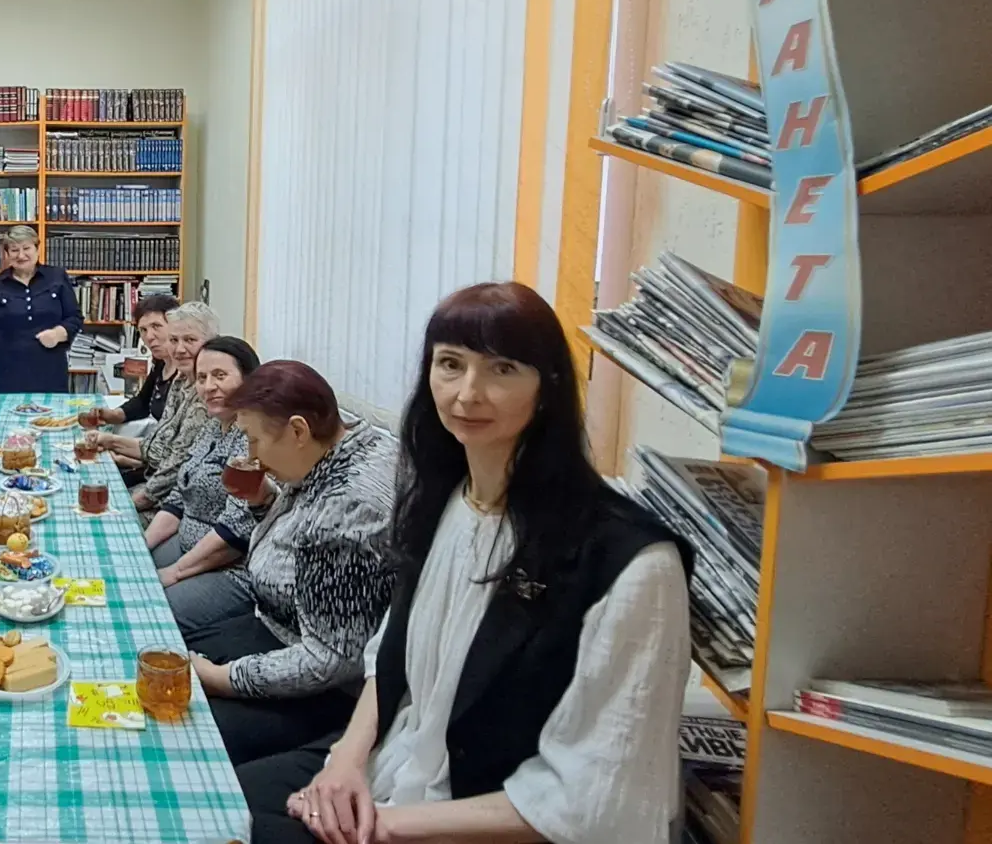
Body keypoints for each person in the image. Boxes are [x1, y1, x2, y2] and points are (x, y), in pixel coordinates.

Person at [236, 283, 692, 844]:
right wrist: (345, 762)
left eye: (502, 369)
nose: (468, 394)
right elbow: (391, 651)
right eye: (450, 364)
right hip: (390, 766)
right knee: (219, 806)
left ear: (548, 387)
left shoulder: (631, 564)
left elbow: (594, 799)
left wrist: (386, 825)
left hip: (481, 818)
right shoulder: (444, 495)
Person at [182, 360, 398, 767]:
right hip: (277, 625)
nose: (252, 457)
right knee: (167, 651)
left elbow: (330, 658)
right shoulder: (339, 446)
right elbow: (296, 541)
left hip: (328, 686)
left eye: (254, 441)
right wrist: (265, 501)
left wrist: (222, 679)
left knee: (182, 724)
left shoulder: (350, 507)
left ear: (298, 430)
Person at [144, 336, 262, 630]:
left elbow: (236, 532)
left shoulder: (255, 438)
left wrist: (174, 573)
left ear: (249, 380)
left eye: (220, 376)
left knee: (149, 610)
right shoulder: (212, 427)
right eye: (202, 378)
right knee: (125, 571)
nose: (208, 386)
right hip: (186, 545)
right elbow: (177, 498)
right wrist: (142, 545)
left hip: (230, 567)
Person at [85, 302, 219, 510]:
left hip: (175, 500)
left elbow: (176, 465)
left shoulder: (207, 396)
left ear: (211, 344)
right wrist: (110, 441)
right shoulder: (181, 380)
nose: (179, 349)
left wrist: (131, 504)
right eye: (174, 340)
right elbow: (159, 444)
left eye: (190, 340)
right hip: (153, 478)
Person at [0, 225, 81, 394]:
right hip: (8, 373)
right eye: (14, 250)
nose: (21, 255)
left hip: (51, 371)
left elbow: (74, 317)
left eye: (26, 248)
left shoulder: (57, 277)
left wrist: (58, 334)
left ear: (37, 249)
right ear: (7, 254)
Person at [98, 293, 180, 427]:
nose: (149, 336)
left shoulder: (187, 371)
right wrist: (114, 415)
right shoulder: (160, 363)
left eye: (156, 326)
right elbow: (143, 402)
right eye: (143, 330)